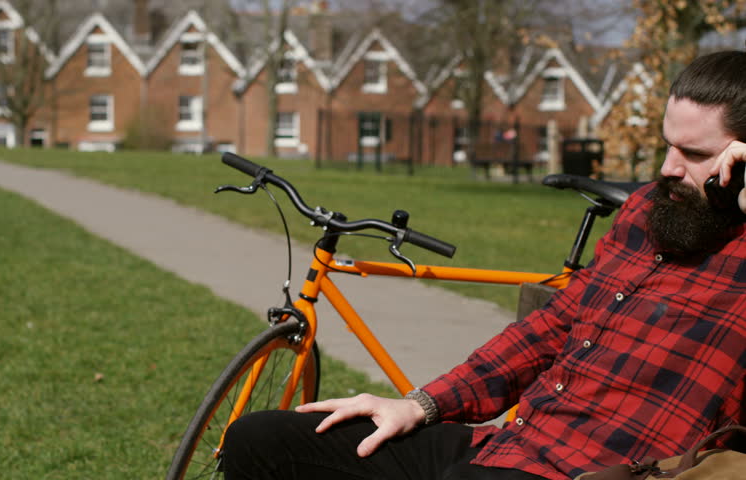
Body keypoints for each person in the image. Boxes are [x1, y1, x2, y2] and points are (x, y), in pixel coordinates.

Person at [221, 50, 746, 480]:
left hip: (604, 470)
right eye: (666, 146)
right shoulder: (646, 212)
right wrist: (419, 405)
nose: (666, 168)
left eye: (694, 154)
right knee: (262, 441)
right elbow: (551, 326)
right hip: (511, 446)